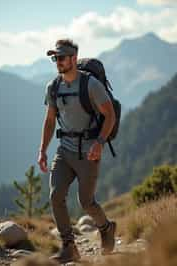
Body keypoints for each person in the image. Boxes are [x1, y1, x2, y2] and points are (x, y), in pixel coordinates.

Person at [37, 39, 116, 264]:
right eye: (55, 58)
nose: (57, 62)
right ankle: (69, 247)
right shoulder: (53, 87)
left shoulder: (91, 85)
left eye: (61, 57)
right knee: (55, 196)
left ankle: (106, 228)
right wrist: (42, 150)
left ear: (73, 58)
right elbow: (50, 121)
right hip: (64, 151)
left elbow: (109, 115)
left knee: (86, 202)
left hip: (89, 151)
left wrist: (100, 142)